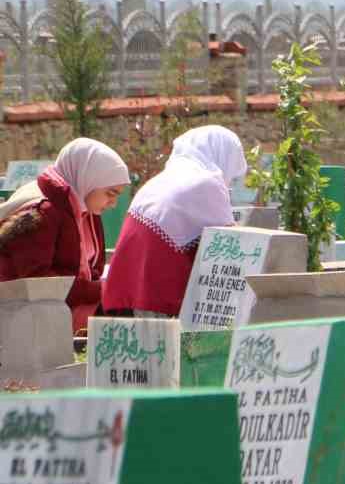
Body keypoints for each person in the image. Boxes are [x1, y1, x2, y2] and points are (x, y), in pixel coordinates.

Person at [103, 125, 245, 318]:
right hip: (157, 292)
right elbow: (229, 246)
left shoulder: (165, 179)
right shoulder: (207, 182)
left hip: (128, 286)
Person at [0, 138, 129, 331]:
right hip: (22, 323)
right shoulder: (42, 211)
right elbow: (39, 282)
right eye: (110, 193)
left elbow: (92, 269)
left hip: (60, 309)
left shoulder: (83, 207)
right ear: (88, 178)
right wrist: (100, 290)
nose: (113, 203)